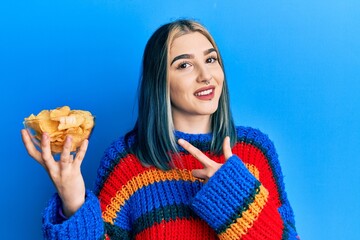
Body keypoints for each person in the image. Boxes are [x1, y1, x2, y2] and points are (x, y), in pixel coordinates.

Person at [21, 19, 299, 239]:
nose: (206, 75)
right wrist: (73, 203)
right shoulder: (127, 161)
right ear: (160, 81)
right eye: (185, 65)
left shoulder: (255, 151)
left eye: (211, 59)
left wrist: (234, 195)